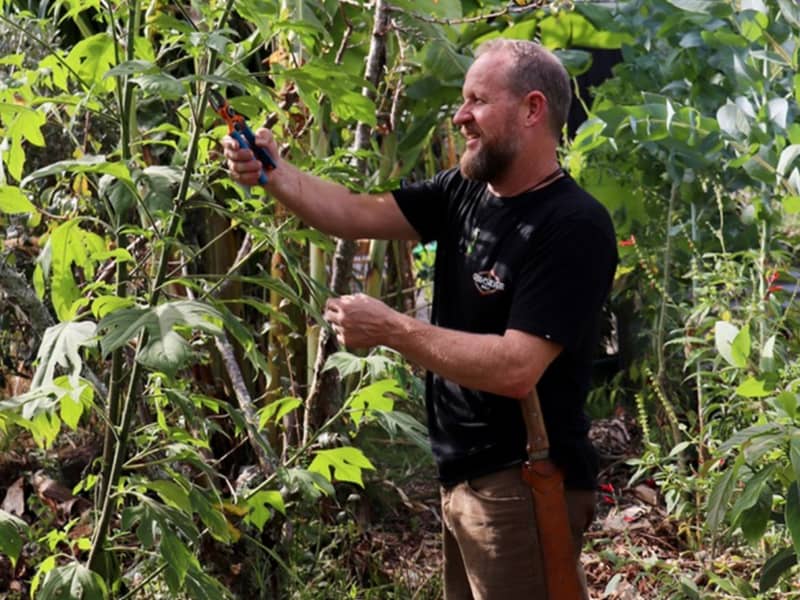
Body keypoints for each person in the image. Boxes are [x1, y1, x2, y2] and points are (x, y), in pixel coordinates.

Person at [224, 38, 617, 600]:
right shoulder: (465, 191)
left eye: (477, 101)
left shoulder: (573, 225)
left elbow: (516, 367)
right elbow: (356, 213)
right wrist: (274, 173)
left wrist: (391, 329)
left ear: (532, 109)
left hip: (524, 485)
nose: (460, 117)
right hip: (466, 478)